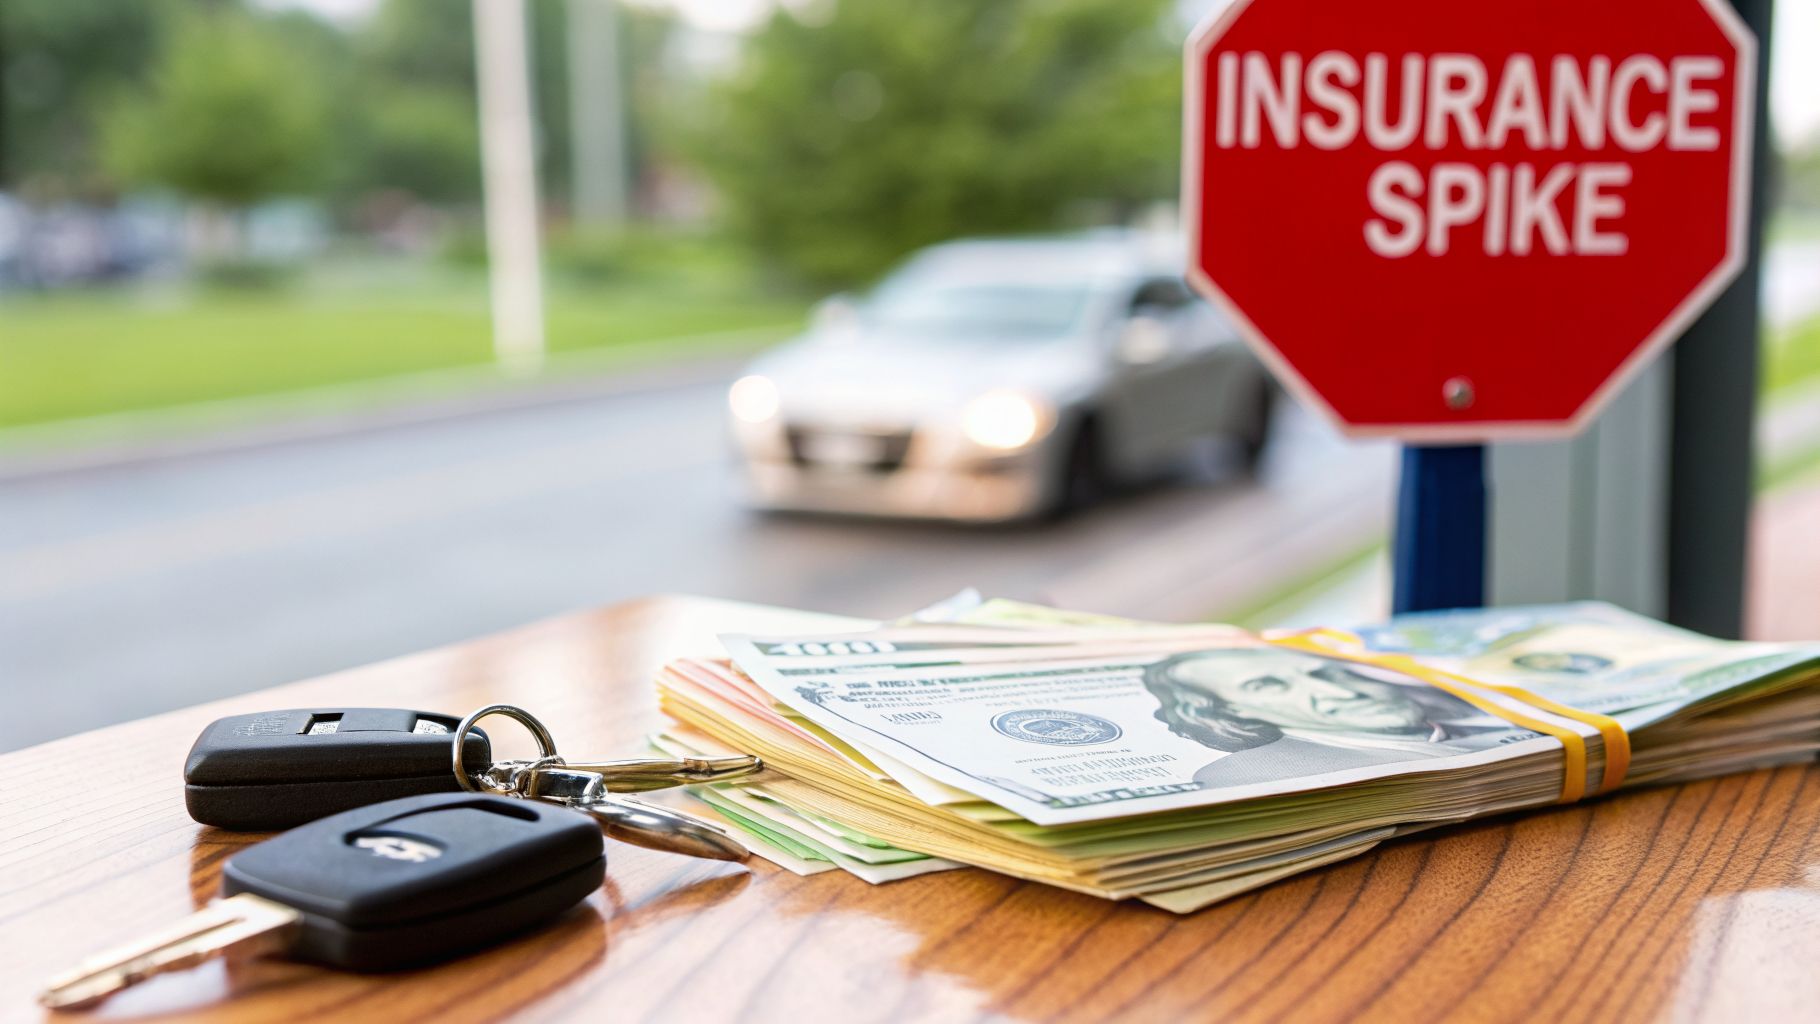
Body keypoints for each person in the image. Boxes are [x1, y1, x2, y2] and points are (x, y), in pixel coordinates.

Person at [1141, 646, 1510, 786]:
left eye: (1322, 673)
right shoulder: (1238, 780)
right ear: (1231, 710)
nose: (1340, 691)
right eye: (1270, 686)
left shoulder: (1482, 717)